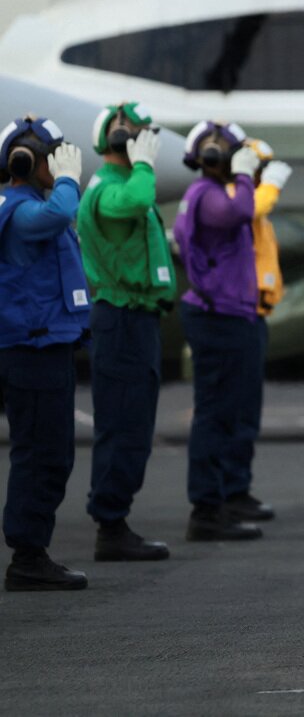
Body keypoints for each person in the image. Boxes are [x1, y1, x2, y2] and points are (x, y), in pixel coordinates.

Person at [78, 103, 174, 562]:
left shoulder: (122, 182)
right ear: (114, 139)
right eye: (133, 132)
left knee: (134, 423)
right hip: (121, 317)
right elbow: (135, 203)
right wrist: (143, 163)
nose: (142, 138)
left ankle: (115, 520)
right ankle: (110, 526)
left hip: (136, 316)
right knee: (122, 424)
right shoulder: (110, 188)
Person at [0, 117, 89, 590]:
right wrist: (70, 180)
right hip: (31, 350)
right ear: (26, 162)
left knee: (48, 452)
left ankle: (31, 552)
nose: (58, 165)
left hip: (43, 345)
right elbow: (57, 215)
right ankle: (27, 557)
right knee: (42, 454)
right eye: (51, 158)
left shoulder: (24, 204)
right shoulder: (20, 210)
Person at [173, 121, 264, 542]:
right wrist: (245, 175)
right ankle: (206, 511)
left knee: (226, 412)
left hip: (230, 314)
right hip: (219, 317)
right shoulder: (207, 195)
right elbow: (241, 211)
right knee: (215, 413)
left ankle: (220, 503)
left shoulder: (202, 195)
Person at [224, 138, 294, 524]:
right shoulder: (237, 196)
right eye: (259, 166)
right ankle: (228, 492)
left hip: (254, 313)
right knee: (232, 412)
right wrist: (270, 184)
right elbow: (253, 207)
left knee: (246, 412)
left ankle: (237, 489)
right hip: (239, 313)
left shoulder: (249, 201)